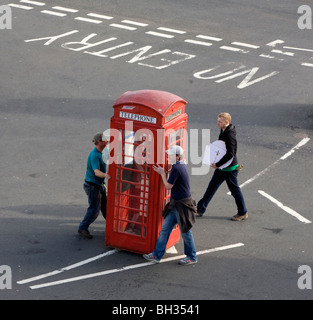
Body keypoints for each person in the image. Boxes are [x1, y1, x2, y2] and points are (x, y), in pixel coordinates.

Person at [143, 145, 198, 265]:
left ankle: (192, 256)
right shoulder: (180, 165)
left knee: (185, 232)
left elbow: (168, 186)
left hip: (182, 206)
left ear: (178, 156)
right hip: (175, 204)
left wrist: (162, 173)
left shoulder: (177, 168)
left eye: (171, 155)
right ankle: (156, 255)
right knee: (165, 229)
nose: (168, 156)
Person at [197, 113, 248, 221]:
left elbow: (231, 153)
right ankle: (200, 208)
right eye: (218, 121)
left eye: (220, 121)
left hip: (230, 169)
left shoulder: (229, 135)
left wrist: (217, 164)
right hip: (223, 167)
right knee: (212, 187)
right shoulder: (223, 130)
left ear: (227, 122)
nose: (218, 123)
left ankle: (243, 212)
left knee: (235, 191)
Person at [78, 132, 111, 239]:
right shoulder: (94, 155)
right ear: (99, 142)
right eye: (105, 140)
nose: (107, 141)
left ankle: (112, 227)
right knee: (94, 209)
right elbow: (96, 172)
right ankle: (83, 228)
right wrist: (106, 175)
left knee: (106, 208)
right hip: (92, 186)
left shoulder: (104, 150)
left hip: (100, 185)